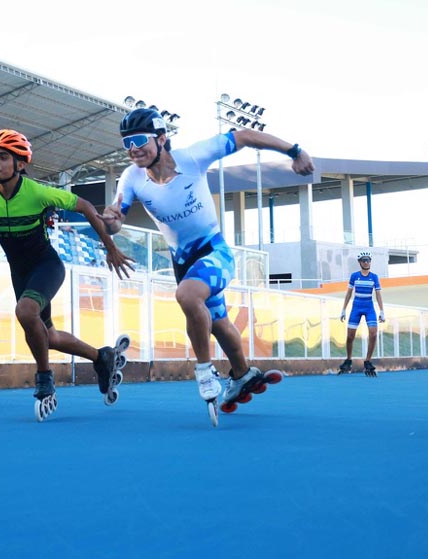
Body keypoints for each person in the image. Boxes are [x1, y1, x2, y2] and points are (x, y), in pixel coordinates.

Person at [101, 108, 314, 425]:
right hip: (182, 261)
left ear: (161, 139)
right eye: (126, 143)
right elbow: (117, 217)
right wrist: (112, 222)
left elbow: (245, 137)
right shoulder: (131, 178)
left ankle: (204, 370)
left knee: (188, 296)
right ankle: (242, 374)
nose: (132, 148)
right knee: (217, 322)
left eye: (139, 140)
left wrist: (294, 151)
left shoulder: (192, 158)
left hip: (215, 251)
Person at [0, 129, 134, 422]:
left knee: (25, 311)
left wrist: (110, 248)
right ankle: (103, 358)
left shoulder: (37, 192)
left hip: (46, 266)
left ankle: (44, 378)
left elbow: (85, 206)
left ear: (20, 164)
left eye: (3, 157)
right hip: (19, 272)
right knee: (47, 336)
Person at [337, 250, 385, 377]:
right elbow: (349, 293)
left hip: (369, 307)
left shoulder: (374, 277)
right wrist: (343, 309)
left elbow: (378, 294)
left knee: (374, 334)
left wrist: (381, 311)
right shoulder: (354, 276)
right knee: (350, 336)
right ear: (359, 262)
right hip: (356, 307)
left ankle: (368, 361)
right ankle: (348, 360)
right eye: (363, 260)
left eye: (368, 260)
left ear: (370, 262)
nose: (366, 262)